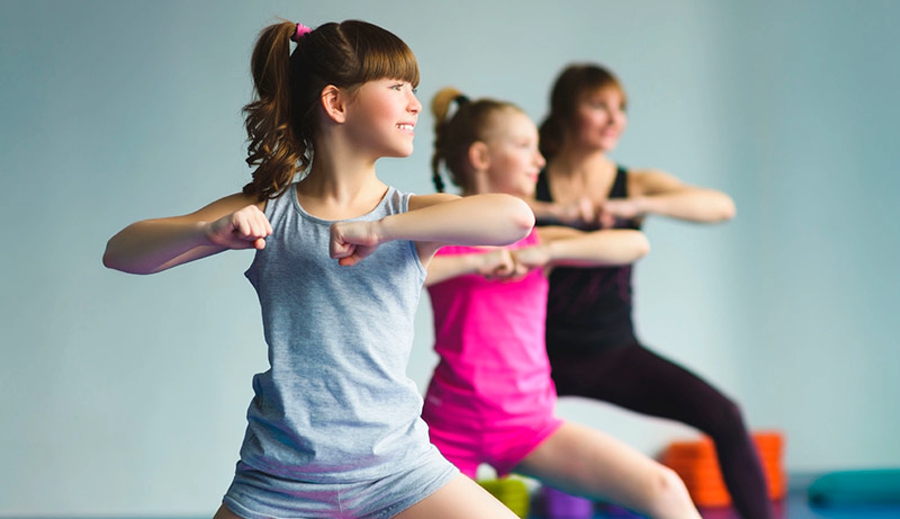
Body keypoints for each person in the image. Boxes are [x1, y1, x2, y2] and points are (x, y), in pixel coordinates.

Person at [103, 20, 536, 519]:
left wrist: (381, 230)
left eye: (413, 89)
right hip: (279, 480)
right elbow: (120, 252)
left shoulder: (409, 215)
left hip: (397, 471)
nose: (415, 104)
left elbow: (515, 218)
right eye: (398, 87)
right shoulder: (269, 210)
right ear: (336, 103)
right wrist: (206, 232)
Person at [421, 86, 703, 519]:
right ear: (481, 157)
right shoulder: (436, 236)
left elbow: (634, 244)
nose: (539, 160)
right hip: (448, 427)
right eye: (524, 146)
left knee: (664, 488)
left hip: (527, 425)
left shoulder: (538, 239)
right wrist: (477, 262)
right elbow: (393, 275)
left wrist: (545, 253)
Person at [533, 63, 773, 519]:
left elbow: (721, 207)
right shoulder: (531, 180)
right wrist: (552, 210)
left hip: (614, 354)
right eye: (598, 105)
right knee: (458, 432)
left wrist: (636, 205)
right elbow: (483, 210)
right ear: (565, 113)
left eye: (620, 108)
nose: (614, 119)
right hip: (536, 358)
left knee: (725, 415)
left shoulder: (634, 183)